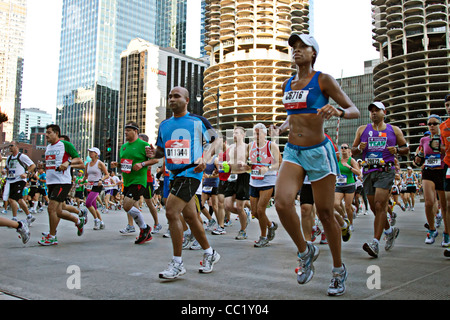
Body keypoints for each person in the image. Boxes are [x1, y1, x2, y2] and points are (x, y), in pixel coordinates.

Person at [273, 33, 360, 296]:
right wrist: (281, 127)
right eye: (294, 48)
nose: (297, 51)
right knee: (281, 202)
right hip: (293, 151)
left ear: (314, 54)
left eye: (303, 47)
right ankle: (305, 250)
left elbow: (353, 109)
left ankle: (337, 270)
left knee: (324, 212)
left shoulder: (323, 79)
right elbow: (294, 116)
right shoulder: (287, 84)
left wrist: (339, 111)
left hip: (319, 152)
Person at [146, 86, 220, 279]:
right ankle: (210, 253)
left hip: (191, 172)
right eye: (170, 96)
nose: (172, 99)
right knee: (191, 217)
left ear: (187, 100)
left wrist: (205, 157)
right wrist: (152, 154)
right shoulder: (164, 125)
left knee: (171, 211)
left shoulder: (198, 121)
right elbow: (161, 151)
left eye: (176, 96)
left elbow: (215, 141)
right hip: (175, 174)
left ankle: (178, 263)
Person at [351, 102, 409, 258]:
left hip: (386, 171)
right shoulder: (362, 130)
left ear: (384, 112)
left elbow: (406, 149)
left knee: (379, 204)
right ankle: (390, 231)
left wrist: (396, 149)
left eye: (377, 110)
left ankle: (375, 243)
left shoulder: (394, 130)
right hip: (369, 170)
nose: (374, 113)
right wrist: (359, 148)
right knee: (374, 208)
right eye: (371, 111)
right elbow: (353, 150)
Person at [38, 124, 86, 246]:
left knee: (51, 208)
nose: (46, 135)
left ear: (56, 133)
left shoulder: (66, 145)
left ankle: (52, 236)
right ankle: (78, 220)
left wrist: (68, 162)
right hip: (51, 182)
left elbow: (79, 160)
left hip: (62, 182)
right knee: (59, 211)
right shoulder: (48, 147)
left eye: (49, 132)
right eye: (46, 132)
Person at [111, 122, 153, 244]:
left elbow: (155, 159)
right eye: (125, 131)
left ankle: (145, 228)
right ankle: (144, 230)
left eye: (128, 130)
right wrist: (117, 165)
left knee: (127, 206)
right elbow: (126, 165)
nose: (126, 133)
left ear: (135, 131)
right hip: (127, 181)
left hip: (139, 181)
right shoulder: (123, 147)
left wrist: (142, 164)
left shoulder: (144, 145)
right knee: (129, 207)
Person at [248, 123, 280, 247]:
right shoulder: (250, 146)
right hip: (254, 180)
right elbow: (247, 162)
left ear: (264, 134)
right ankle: (271, 225)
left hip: (268, 180)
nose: (255, 136)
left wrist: (268, 168)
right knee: (255, 212)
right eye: (254, 133)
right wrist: (244, 165)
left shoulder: (271, 146)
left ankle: (263, 236)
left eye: (258, 133)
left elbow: (279, 163)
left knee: (261, 210)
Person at [224, 126, 252, 240]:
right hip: (232, 177)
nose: (234, 135)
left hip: (243, 176)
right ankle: (244, 215)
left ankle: (243, 230)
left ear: (243, 134)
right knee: (227, 206)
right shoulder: (230, 147)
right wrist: (226, 166)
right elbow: (229, 162)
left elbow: (253, 163)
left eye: (237, 133)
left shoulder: (248, 147)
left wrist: (246, 165)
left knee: (240, 207)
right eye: (233, 133)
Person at [4, 141, 36, 226]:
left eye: (11, 146)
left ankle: (14, 218)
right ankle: (29, 216)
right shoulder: (9, 158)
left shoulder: (22, 156)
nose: (10, 147)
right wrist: (4, 172)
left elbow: (33, 165)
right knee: (20, 199)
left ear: (16, 146)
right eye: (9, 146)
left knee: (12, 199)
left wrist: (26, 172)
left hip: (20, 180)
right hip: (11, 180)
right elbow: (7, 168)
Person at [334, 143, 361, 240]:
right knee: (335, 204)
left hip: (350, 185)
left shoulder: (351, 160)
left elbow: (358, 173)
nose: (343, 149)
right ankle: (344, 216)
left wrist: (349, 167)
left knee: (348, 206)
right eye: (342, 148)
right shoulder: (338, 160)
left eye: (345, 147)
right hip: (339, 185)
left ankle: (351, 223)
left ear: (349, 149)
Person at [83, 147, 109, 230]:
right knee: (94, 206)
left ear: (96, 154)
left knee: (88, 203)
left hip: (97, 185)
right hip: (89, 185)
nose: (90, 153)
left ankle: (96, 220)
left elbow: (107, 174)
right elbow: (86, 176)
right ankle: (101, 222)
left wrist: (101, 180)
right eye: (89, 152)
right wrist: (81, 180)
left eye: (92, 152)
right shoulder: (87, 164)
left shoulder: (99, 163)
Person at [441, 94, 450, 256]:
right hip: (449, 165)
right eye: (447, 105)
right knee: (448, 204)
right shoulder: (443, 126)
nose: (449, 107)